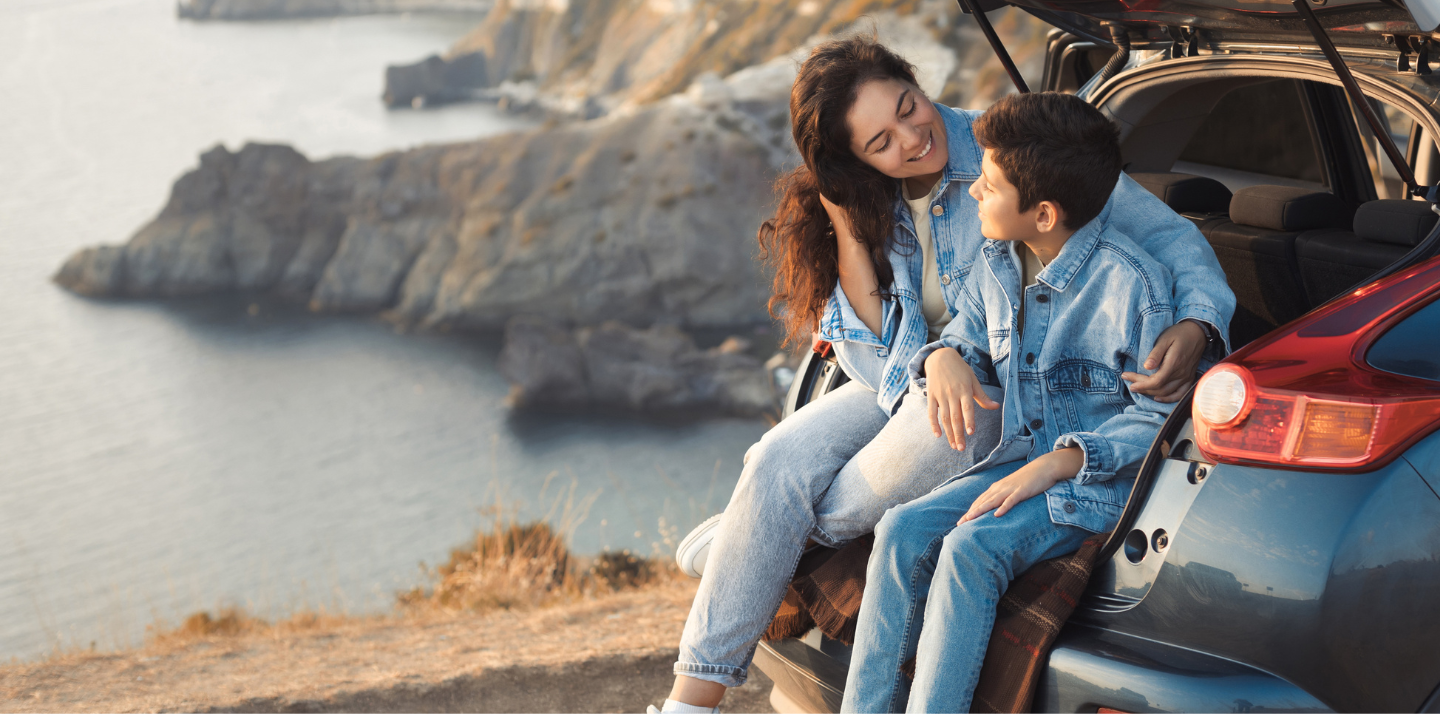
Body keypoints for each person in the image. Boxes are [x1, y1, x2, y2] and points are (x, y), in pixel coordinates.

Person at [653, 37, 1234, 714]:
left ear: (919, 84)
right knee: (775, 458)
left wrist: (1197, 326)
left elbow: (1172, 243)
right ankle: (691, 699)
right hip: (909, 375)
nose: (910, 138)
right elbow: (870, 353)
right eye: (880, 141)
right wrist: (849, 231)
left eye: (909, 107)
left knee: (927, 436)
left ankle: (762, 539)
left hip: (993, 394)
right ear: (857, 158)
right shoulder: (870, 196)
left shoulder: (1009, 153)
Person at [840, 91, 1213, 712]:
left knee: (969, 550)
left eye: (987, 183)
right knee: (901, 527)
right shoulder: (996, 261)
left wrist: (1063, 460)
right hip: (1021, 459)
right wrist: (943, 355)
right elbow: (965, 329)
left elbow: (1159, 418)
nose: (974, 193)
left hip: (1101, 483)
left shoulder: (1135, 286)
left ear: (1042, 214)